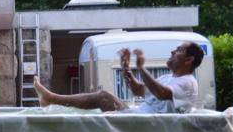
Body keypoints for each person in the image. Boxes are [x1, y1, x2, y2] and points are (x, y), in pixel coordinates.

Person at [34, 41, 204, 113]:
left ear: (189, 60)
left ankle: (51, 99)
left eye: (179, 50)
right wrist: (126, 68)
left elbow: (161, 93)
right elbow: (139, 90)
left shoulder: (188, 83)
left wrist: (141, 68)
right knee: (103, 98)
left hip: (146, 126)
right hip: (138, 118)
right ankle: (50, 99)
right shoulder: (168, 77)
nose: (173, 52)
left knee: (102, 99)